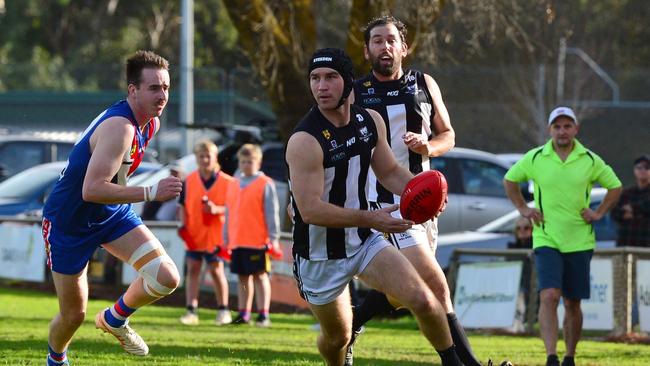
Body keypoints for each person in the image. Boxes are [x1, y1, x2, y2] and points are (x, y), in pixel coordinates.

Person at [286, 47, 465, 366]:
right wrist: (372, 218)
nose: (321, 86)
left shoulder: (368, 121)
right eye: (315, 78)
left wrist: (422, 192)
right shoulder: (304, 140)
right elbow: (310, 210)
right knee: (337, 338)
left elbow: (390, 171)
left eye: (330, 78)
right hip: (319, 253)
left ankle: (453, 362)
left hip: (364, 240)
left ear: (349, 83)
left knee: (423, 298)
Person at [350, 15, 483, 366]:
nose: (385, 46)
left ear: (404, 47)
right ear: (367, 50)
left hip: (423, 201)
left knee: (407, 290)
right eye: (377, 40)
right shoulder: (355, 92)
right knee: (436, 286)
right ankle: (466, 363)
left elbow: (448, 135)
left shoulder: (424, 83)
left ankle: (354, 318)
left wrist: (428, 147)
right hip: (383, 205)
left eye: (391, 39)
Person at [42, 50, 182, 365]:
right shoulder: (121, 127)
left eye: (166, 88)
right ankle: (56, 359)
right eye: (153, 88)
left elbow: (112, 180)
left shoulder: (152, 123)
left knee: (166, 277)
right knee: (73, 315)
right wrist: (151, 192)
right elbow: (90, 190)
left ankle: (115, 319)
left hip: (110, 213)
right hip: (69, 222)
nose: (162, 96)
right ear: (132, 91)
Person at [503, 106, 622, 366]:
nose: (562, 131)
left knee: (572, 303)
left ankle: (569, 356)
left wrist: (599, 212)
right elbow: (510, 180)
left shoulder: (590, 160)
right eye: (557, 126)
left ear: (576, 129)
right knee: (549, 295)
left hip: (580, 240)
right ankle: (551, 357)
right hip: (546, 238)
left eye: (567, 126)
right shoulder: (535, 158)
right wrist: (524, 209)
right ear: (550, 130)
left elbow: (615, 186)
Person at [224, 143, 281, 327]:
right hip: (238, 240)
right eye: (243, 161)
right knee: (242, 277)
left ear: (258, 162)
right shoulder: (234, 183)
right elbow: (228, 212)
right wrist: (226, 238)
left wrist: (273, 238)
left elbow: (272, 213)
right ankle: (244, 314)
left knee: (260, 276)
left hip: (258, 241)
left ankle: (263, 314)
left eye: (250, 161)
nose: (246, 164)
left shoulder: (265, 184)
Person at [177, 140, 234, 326]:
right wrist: (183, 227)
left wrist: (216, 209)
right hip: (194, 234)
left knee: (216, 271)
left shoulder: (228, 182)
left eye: (208, 155)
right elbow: (182, 207)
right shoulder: (189, 180)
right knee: (193, 269)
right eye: (201, 156)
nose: (204, 159)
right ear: (196, 158)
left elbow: (235, 210)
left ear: (215, 157)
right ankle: (191, 310)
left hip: (216, 236)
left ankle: (224, 310)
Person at [611, 154, 650, 247]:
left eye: (646, 167)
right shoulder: (626, 193)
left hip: (647, 247)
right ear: (634, 170)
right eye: (639, 167)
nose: (642, 170)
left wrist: (632, 209)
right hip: (626, 246)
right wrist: (640, 213)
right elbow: (614, 213)